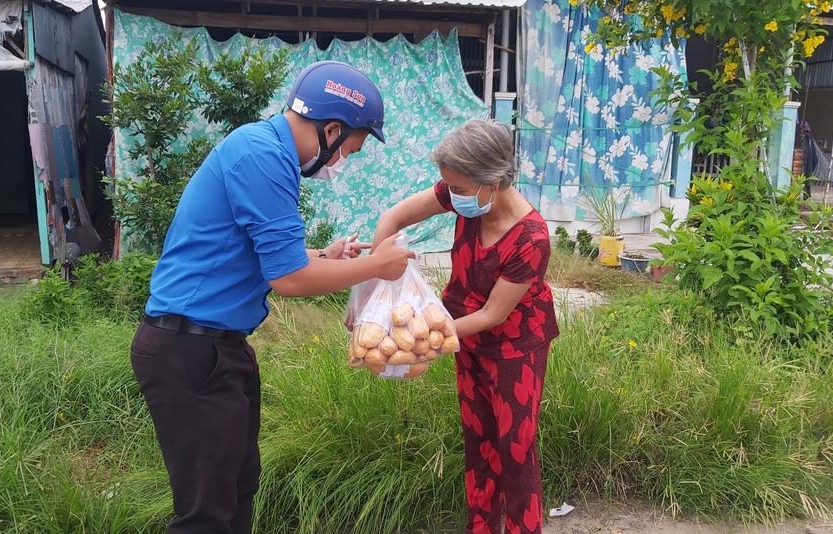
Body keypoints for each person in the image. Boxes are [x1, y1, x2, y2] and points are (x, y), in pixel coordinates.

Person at [130, 61, 415, 534]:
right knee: (206, 512)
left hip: (216, 349)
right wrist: (373, 266)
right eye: (351, 149)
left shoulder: (265, 151)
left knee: (238, 484)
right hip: (190, 350)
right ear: (330, 130)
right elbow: (290, 280)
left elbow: (266, 253)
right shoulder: (261, 158)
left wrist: (328, 254)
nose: (344, 162)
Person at [372, 118, 559, 534]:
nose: (452, 197)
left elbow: (494, 314)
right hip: (464, 337)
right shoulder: (466, 195)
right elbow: (394, 217)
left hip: (515, 349)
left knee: (515, 449)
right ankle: (481, 527)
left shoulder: (532, 237)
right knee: (479, 441)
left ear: (492, 181)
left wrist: (424, 335)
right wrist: (376, 282)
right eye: (448, 188)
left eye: (458, 188)